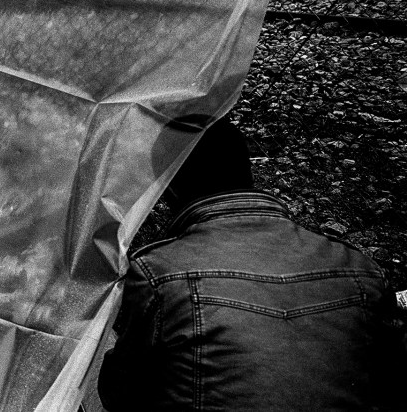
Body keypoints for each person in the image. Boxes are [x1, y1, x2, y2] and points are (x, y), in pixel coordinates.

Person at [98, 118, 406, 411]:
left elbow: (119, 394)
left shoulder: (160, 274)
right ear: (246, 172)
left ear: (169, 190)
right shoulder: (360, 270)